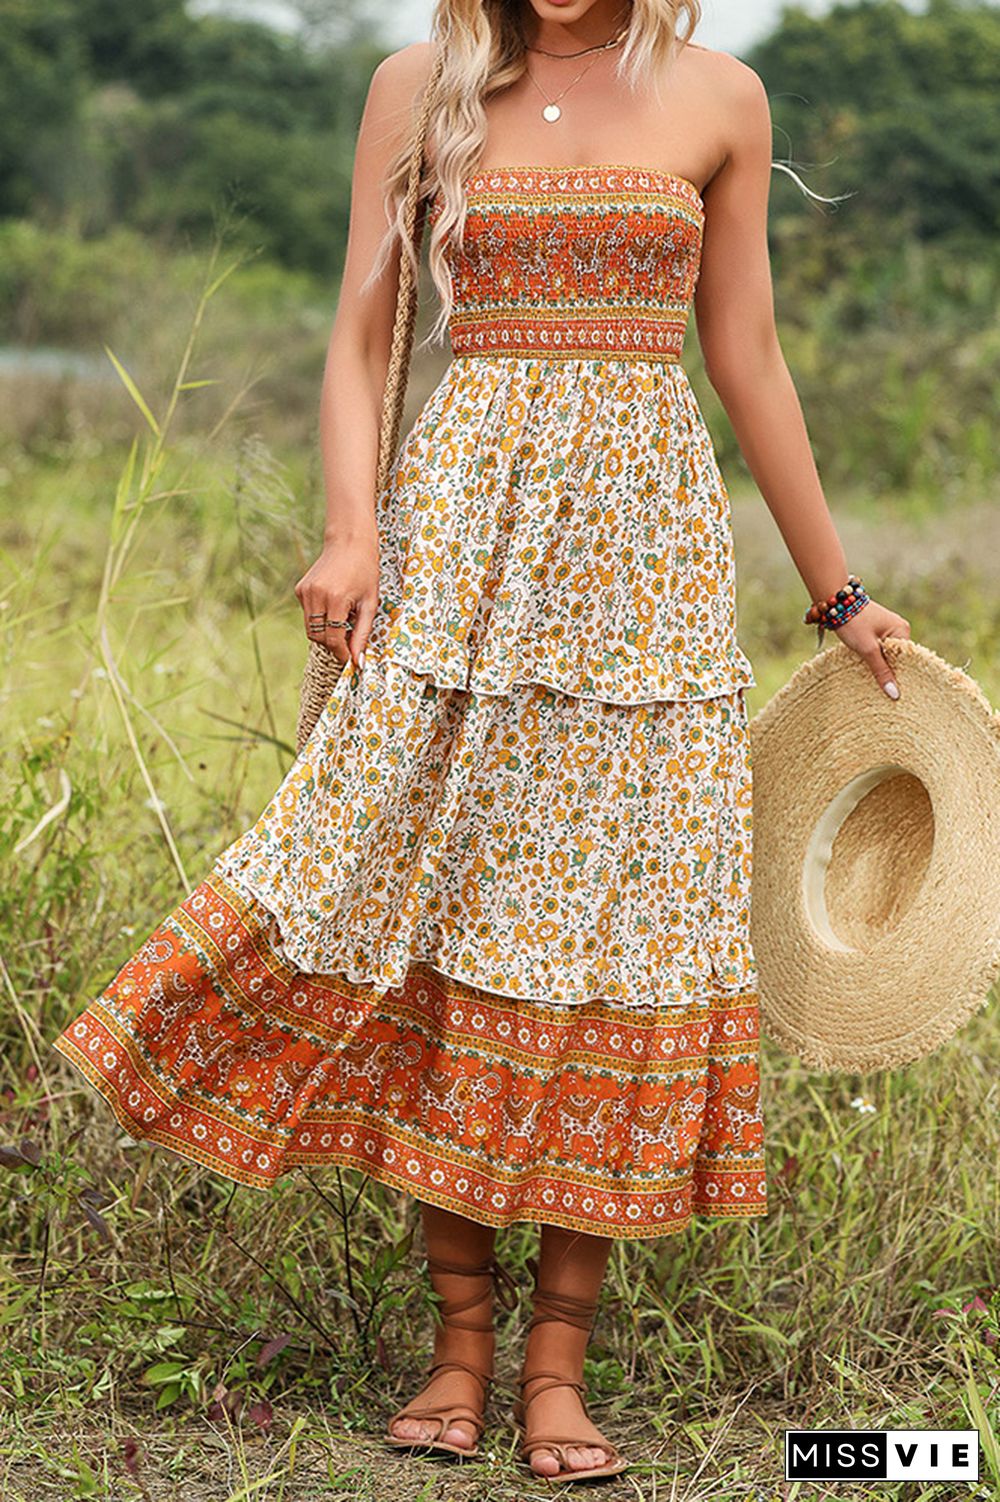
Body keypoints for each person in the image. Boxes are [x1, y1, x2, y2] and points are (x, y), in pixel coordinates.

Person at [53, 0, 911, 1483]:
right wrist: (346, 533)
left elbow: (748, 353)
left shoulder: (722, 98)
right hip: (459, 566)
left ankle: (558, 1373)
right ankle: (457, 1349)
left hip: (644, 590)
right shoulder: (420, 85)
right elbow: (360, 332)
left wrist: (835, 590)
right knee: (429, 920)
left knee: (615, 948)